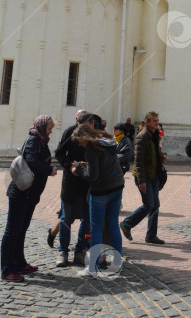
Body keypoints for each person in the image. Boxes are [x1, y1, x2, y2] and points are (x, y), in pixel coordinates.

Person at [1, 115, 57, 282]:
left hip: (30, 194)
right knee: (12, 231)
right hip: (20, 193)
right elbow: (32, 161)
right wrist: (49, 170)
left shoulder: (41, 141)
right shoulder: (34, 140)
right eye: (49, 128)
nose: (51, 132)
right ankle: (6, 269)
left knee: (21, 229)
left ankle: (19, 263)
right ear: (41, 128)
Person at [71, 123, 124, 277]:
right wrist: (87, 166)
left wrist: (78, 169)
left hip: (101, 191)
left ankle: (93, 266)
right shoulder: (106, 142)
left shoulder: (91, 150)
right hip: (117, 186)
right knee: (113, 225)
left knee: (96, 228)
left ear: (84, 137)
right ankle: (117, 264)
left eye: (79, 141)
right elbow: (102, 166)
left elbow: (92, 176)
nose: (79, 144)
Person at [120, 111, 167, 244]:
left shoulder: (155, 135)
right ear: (147, 122)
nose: (157, 123)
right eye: (154, 121)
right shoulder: (142, 137)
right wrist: (142, 181)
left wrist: (161, 157)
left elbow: (154, 153)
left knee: (155, 205)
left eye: (157, 120)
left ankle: (151, 235)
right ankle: (126, 224)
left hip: (154, 175)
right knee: (148, 204)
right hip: (145, 176)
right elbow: (138, 161)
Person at [55, 110, 93, 268]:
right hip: (71, 181)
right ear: (79, 123)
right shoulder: (69, 132)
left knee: (87, 220)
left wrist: (87, 165)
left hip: (86, 182)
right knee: (66, 219)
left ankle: (80, 250)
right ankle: (62, 251)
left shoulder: (93, 136)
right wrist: (71, 164)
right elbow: (59, 154)